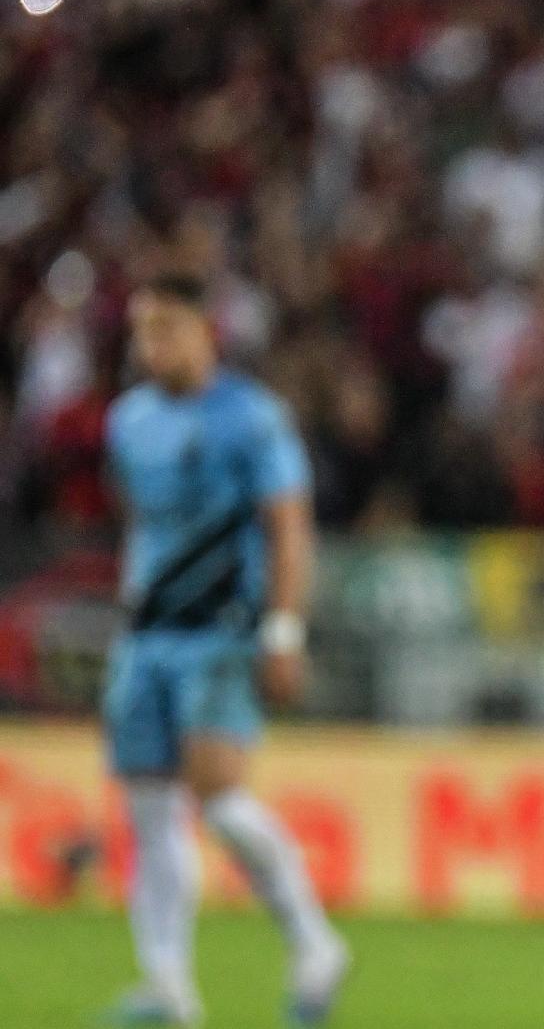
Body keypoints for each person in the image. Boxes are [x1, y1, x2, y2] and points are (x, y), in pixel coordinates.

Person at [101, 274, 349, 1027]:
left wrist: (282, 629)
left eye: (168, 328)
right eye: (144, 330)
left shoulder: (252, 417)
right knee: (147, 809)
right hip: (145, 637)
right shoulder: (128, 420)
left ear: (208, 330)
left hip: (222, 632)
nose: (154, 345)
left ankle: (315, 942)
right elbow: (146, 528)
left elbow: (289, 526)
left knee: (218, 797)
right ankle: (169, 988)